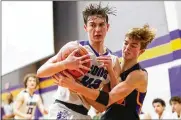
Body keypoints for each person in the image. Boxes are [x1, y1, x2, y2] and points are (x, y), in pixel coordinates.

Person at [53, 24, 156, 120]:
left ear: (141, 51)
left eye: (133, 46)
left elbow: (110, 99)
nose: (127, 48)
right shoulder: (114, 66)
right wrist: (75, 86)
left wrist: (75, 85)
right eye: (125, 43)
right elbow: (99, 106)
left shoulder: (139, 74)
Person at [37, 3, 118, 119]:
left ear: (108, 27)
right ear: (85, 27)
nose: (97, 29)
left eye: (101, 25)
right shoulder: (74, 48)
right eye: (92, 25)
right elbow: (41, 72)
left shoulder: (113, 61)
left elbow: (102, 107)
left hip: (84, 113)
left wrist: (75, 86)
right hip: (62, 108)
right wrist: (64, 64)